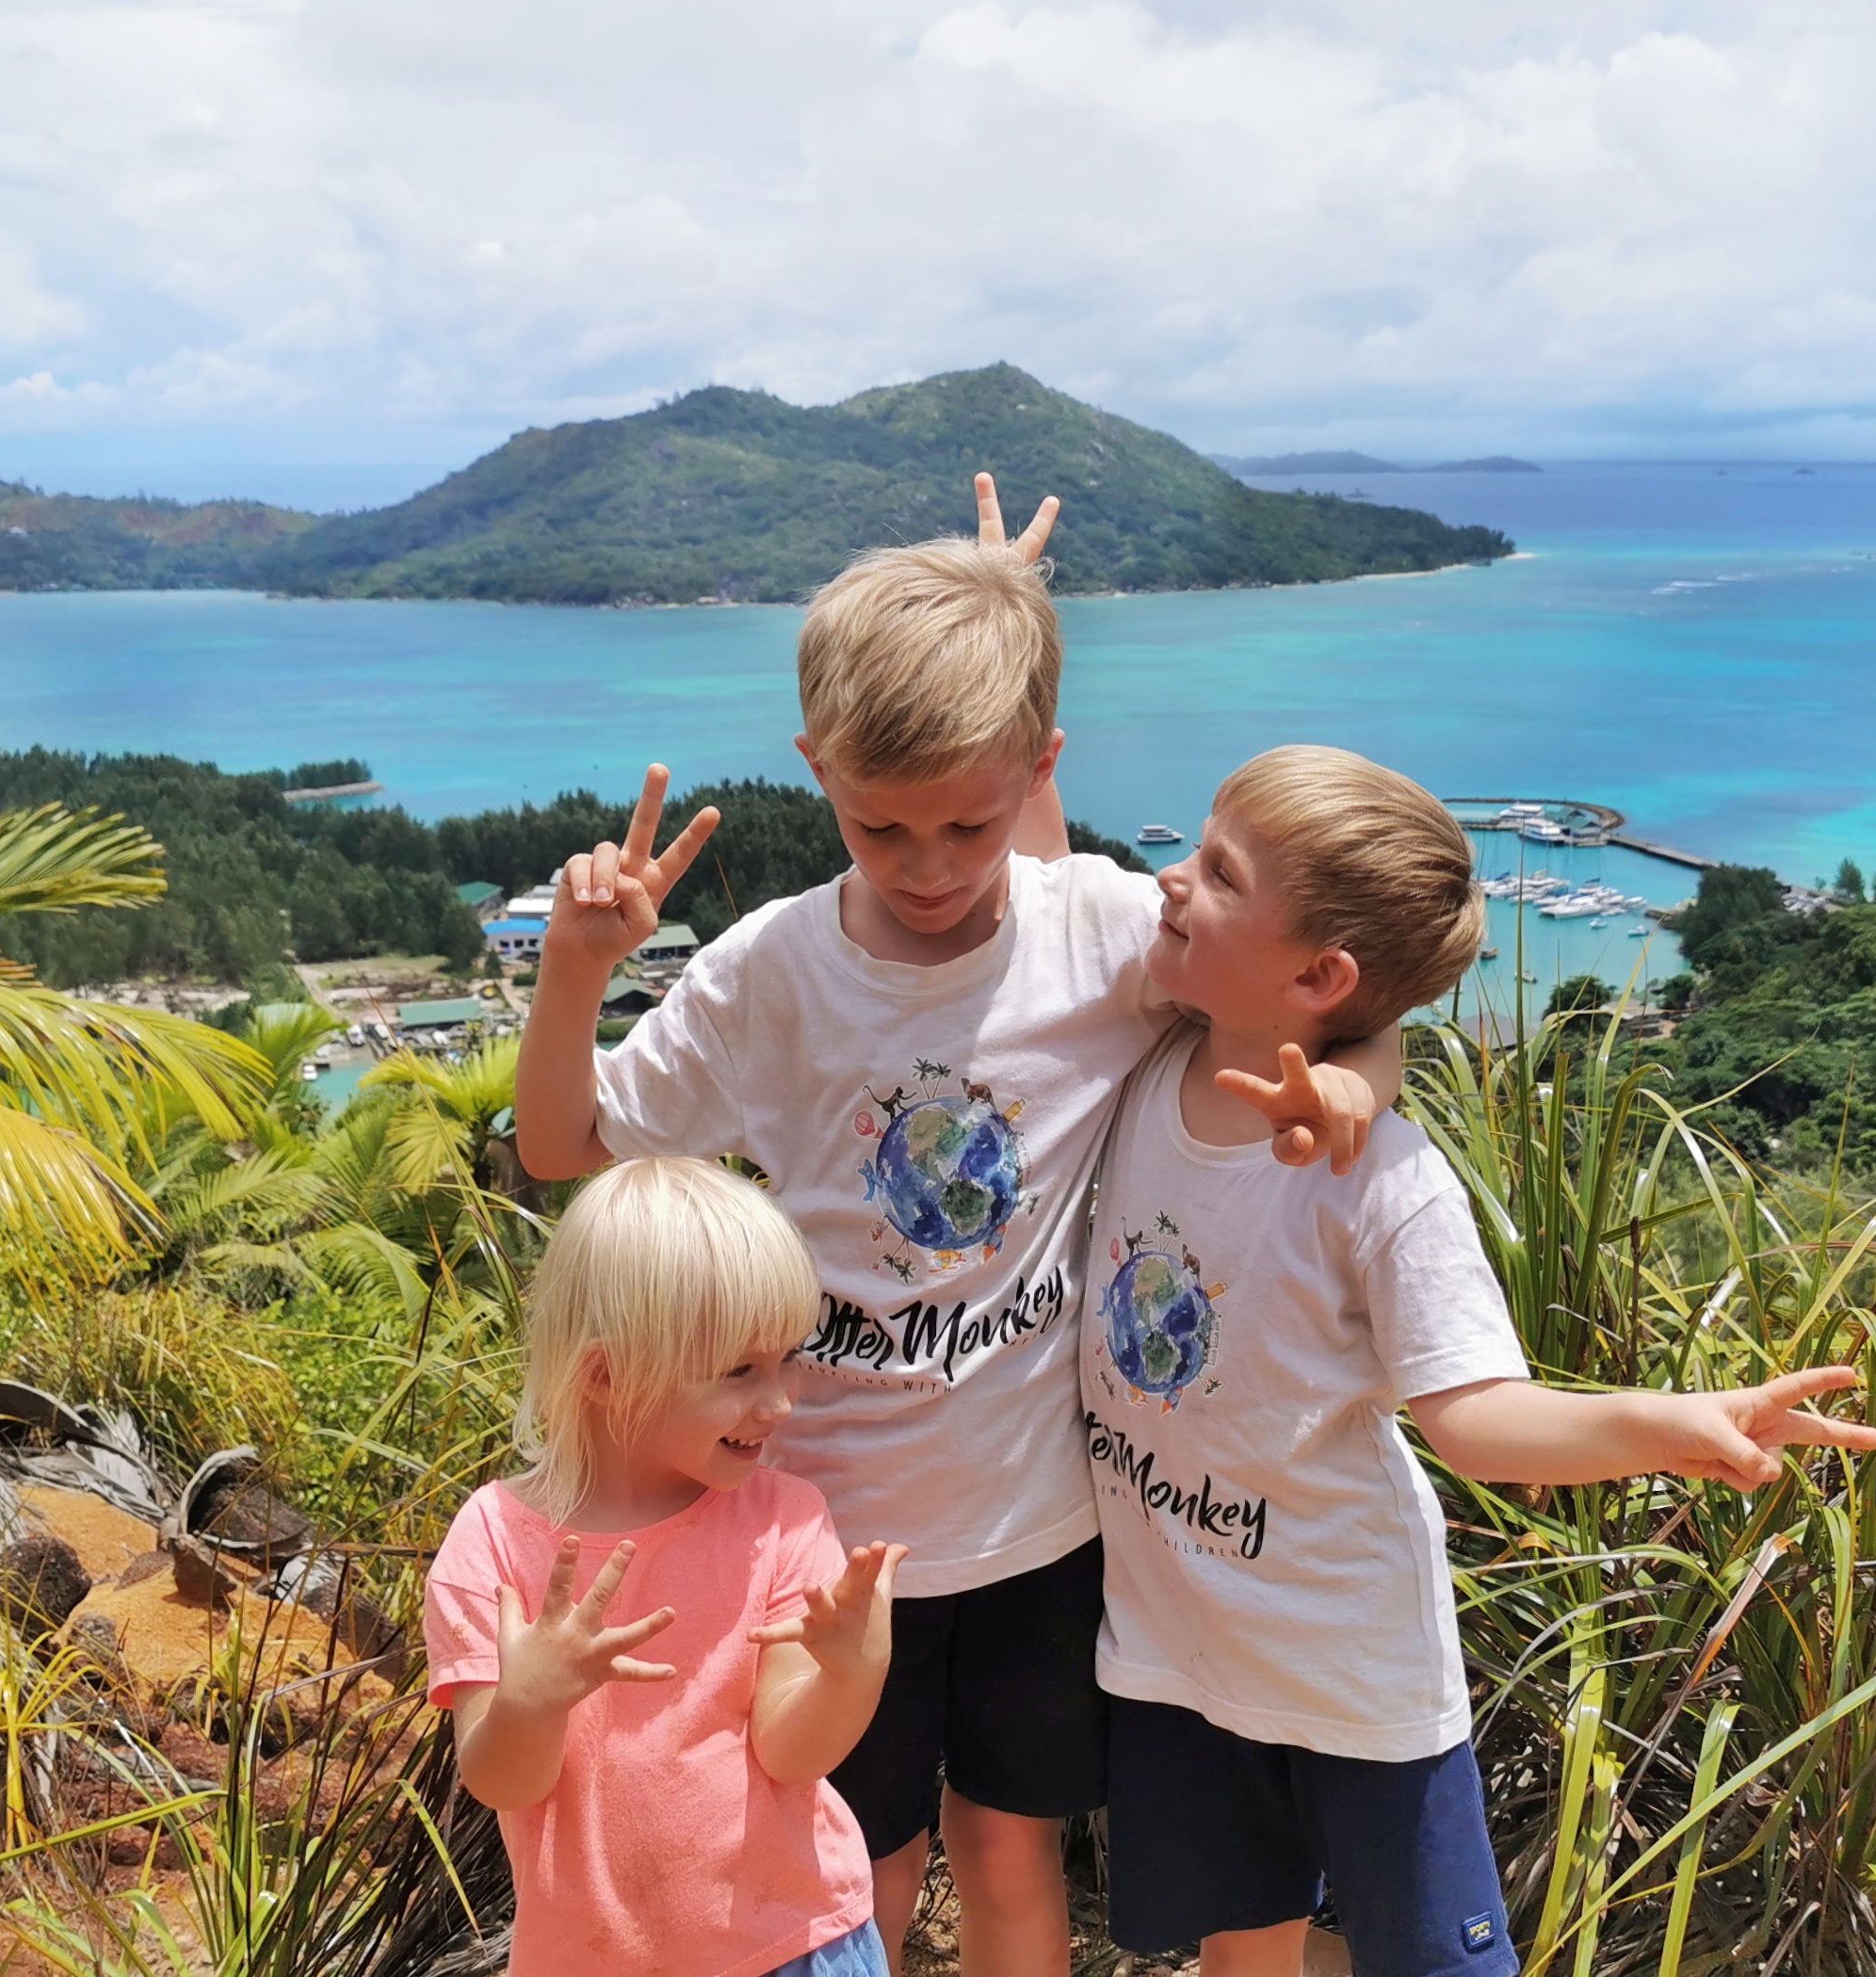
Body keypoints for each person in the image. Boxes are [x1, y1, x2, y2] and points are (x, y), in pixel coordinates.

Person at [509, 478, 1395, 1977]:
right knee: (851, 1855)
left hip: (1039, 1518)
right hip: (813, 1530)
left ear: (1039, 769)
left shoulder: (1100, 929)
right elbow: (562, 1143)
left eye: (969, 823)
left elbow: (1329, 1000)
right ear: (815, 772)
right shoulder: (765, 974)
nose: (926, 865)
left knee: (1008, 1846)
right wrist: (575, 975)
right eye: (880, 824)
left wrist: (1348, 1086)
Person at [1081, 746, 1876, 1977]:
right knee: (1242, 1945)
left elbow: (1476, 1416)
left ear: (1317, 973)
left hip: (1349, 1667)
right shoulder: (1140, 1066)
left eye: (1217, 871)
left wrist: (1669, 1420)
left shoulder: (1384, 1182)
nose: (1171, 880)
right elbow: (1032, 872)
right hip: (1176, 1646)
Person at [423, 1156, 904, 1977]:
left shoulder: (782, 1520)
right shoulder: (495, 1541)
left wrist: (854, 1671)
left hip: (793, 1942)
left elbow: (791, 1751)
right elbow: (501, 1781)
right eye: (739, 1371)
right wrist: (530, 1701)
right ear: (607, 1374)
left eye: (787, 1357)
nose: (781, 1400)